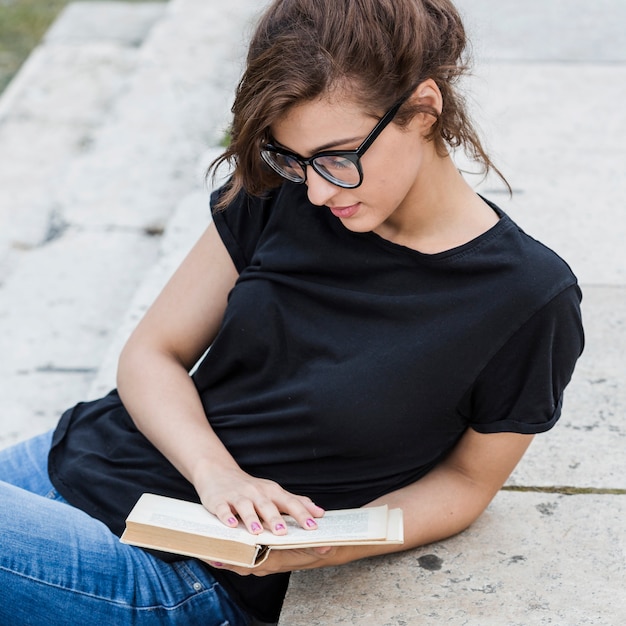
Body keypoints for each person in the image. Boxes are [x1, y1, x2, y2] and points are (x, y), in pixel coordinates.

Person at [0, 0, 584, 624]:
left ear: (423, 107)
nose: (319, 190)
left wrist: (328, 545)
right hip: (78, 457)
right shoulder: (283, 192)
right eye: (293, 159)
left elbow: (468, 484)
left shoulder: (527, 298)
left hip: (182, 572)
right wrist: (217, 476)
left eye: (339, 157)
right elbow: (152, 354)